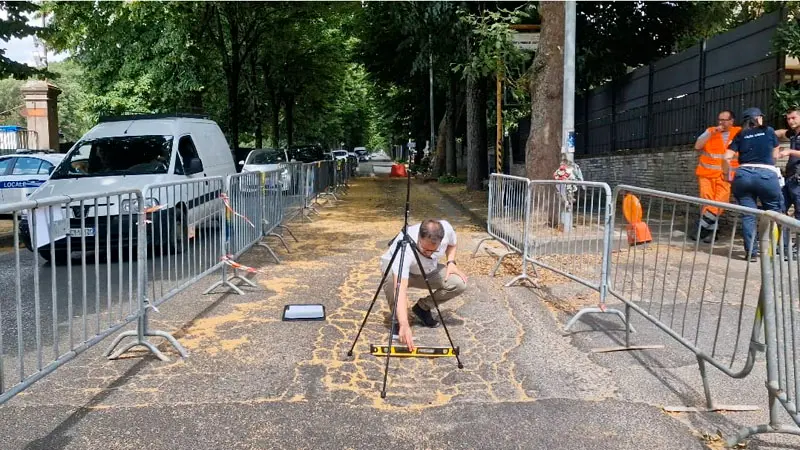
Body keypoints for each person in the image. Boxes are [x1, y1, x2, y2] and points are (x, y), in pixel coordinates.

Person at [380, 219, 468, 350]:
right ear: (419, 238)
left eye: (434, 250)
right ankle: (399, 319)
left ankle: (422, 308)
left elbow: (452, 244)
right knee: (393, 282)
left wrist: (451, 262)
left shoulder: (446, 229)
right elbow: (400, 288)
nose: (428, 253)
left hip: (426, 269)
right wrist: (405, 324)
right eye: (425, 249)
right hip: (399, 271)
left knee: (459, 283)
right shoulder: (406, 248)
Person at [724, 107, 784, 261]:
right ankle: (772, 251)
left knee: (748, 215)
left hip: (743, 175)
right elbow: (776, 153)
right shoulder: (769, 131)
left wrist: (727, 175)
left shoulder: (740, 134)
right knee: (775, 213)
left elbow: (726, 158)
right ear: (759, 118)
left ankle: (751, 253)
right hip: (766, 174)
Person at [692, 110, 741, 242]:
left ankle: (702, 227)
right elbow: (698, 145)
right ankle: (711, 232)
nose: (721, 123)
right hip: (706, 174)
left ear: (732, 121)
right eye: (719, 120)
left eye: (724, 120)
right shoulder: (710, 131)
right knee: (706, 202)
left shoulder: (738, 132)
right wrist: (712, 131)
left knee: (720, 202)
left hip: (726, 175)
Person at [775, 108, 800, 260]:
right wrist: (763, 130)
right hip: (790, 180)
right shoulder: (793, 133)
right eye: (788, 118)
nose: (791, 121)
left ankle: (798, 248)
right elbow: (779, 133)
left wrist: (789, 151)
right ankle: (783, 245)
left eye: (793, 118)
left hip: (798, 180)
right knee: (779, 209)